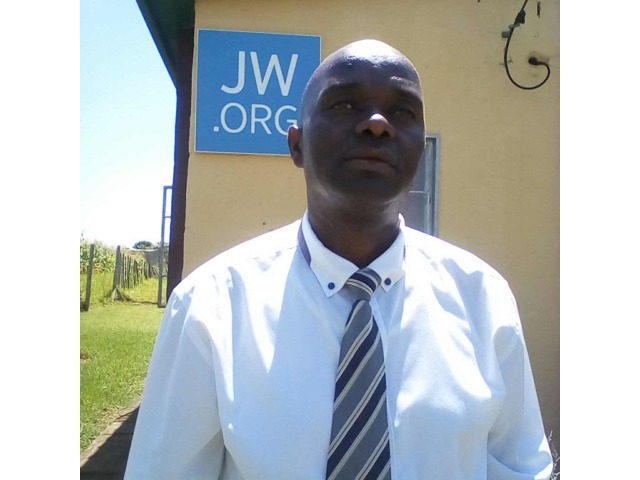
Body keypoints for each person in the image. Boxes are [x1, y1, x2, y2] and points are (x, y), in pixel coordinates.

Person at [124, 39, 553, 479]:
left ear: (420, 151)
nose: (377, 124)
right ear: (297, 145)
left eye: (402, 111)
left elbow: (522, 467)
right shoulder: (210, 307)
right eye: (344, 105)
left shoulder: (483, 299)